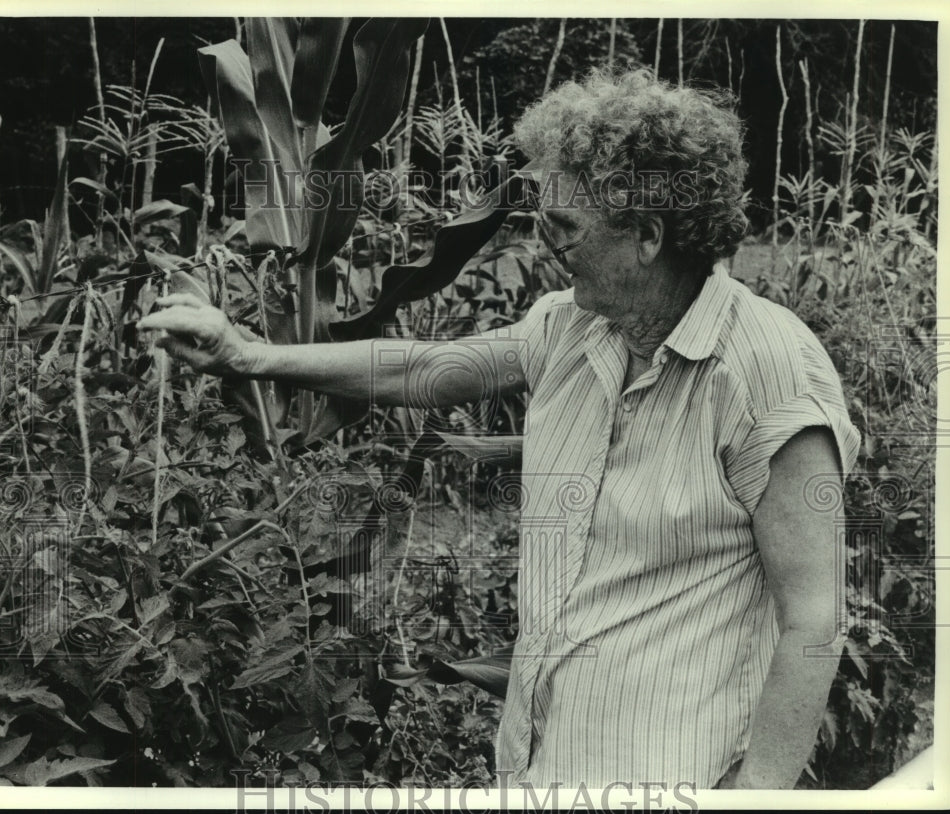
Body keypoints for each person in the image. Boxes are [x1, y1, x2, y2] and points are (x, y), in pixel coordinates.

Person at [137, 69, 860, 790]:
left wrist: (758, 797)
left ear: (647, 235)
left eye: (565, 228)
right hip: (542, 766)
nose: (548, 246)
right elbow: (426, 367)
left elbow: (813, 621)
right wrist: (248, 353)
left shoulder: (769, 375)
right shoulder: (573, 330)